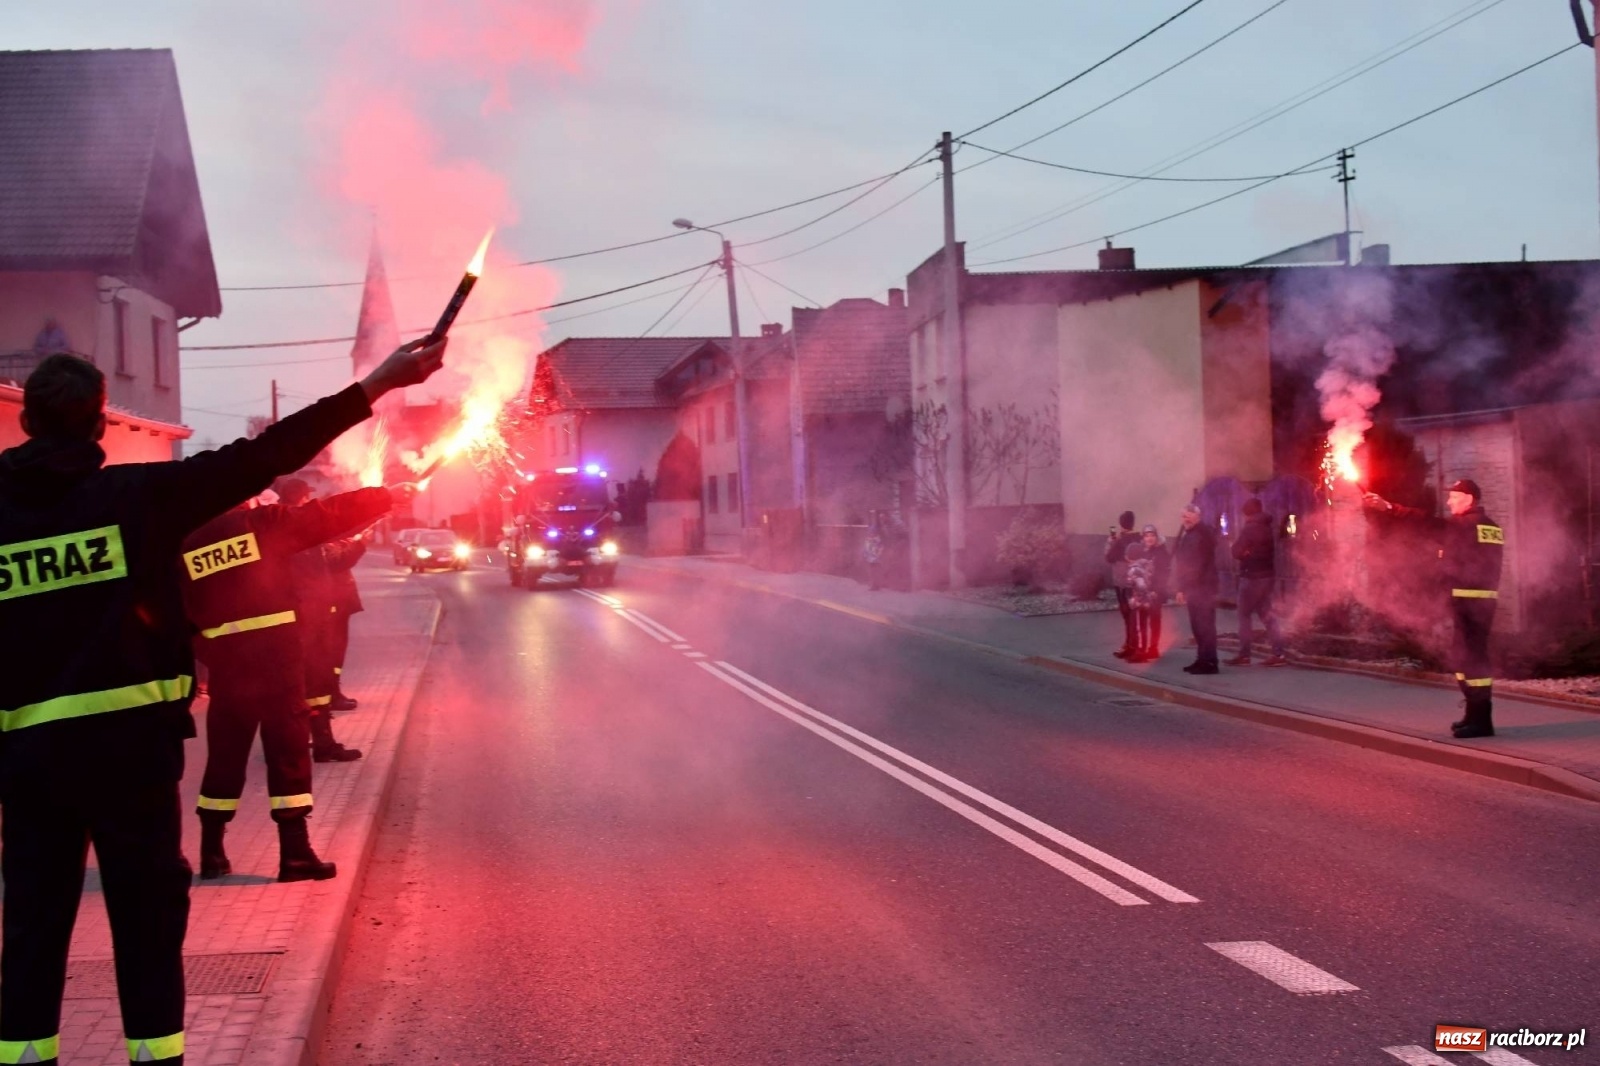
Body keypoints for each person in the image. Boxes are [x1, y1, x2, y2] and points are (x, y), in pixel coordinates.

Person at [0, 338, 443, 1066]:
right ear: (101, 423)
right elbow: (264, 454)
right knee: (146, 921)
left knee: (32, 924)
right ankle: (157, 1057)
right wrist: (376, 386)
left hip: (29, 766)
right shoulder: (138, 501)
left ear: (27, 423)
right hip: (132, 759)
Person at [183, 484, 404, 883]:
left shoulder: (187, 543)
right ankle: (295, 853)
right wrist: (382, 497)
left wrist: (213, 657)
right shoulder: (260, 525)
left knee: (224, 756)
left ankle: (211, 853)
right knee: (288, 755)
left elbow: (181, 617)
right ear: (247, 498)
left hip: (229, 670)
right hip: (277, 663)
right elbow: (323, 516)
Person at [1364, 479, 1504, 738]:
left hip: (1469, 601)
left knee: (1472, 660)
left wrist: (1388, 507)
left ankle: (1481, 721)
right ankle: (1474, 715)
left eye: (1454, 496)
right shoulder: (1490, 527)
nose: (1449, 501)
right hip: (1480, 601)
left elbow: (1426, 522)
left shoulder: (1465, 526)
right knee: (1466, 657)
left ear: (1469, 499)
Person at [1229, 498, 1288, 667]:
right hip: (1267, 577)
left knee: (1244, 615)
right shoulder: (1268, 527)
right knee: (1267, 615)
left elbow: (1236, 551)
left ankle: (1244, 655)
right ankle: (1279, 654)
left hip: (1251, 577)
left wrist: (1244, 552)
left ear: (1247, 513)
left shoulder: (1249, 528)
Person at [1172, 503, 1221, 674]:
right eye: (1183, 516)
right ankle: (1202, 659)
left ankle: (1209, 662)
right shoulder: (1191, 534)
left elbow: (1195, 565)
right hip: (1195, 587)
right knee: (1197, 626)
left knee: (1204, 626)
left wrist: (1183, 588)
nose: (1185, 519)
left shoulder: (1201, 534)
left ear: (1197, 517)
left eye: (1189, 516)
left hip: (1202, 587)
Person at [1126, 524, 1170, 662]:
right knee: (1142, 620)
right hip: (1143, 591)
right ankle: (1142, 648)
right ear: (1143, 538)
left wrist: (1157, 590)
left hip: (1155, 591)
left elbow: (1164, 573)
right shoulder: (1144, 551)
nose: (1149, 538)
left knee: (1155, 620)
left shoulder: (1161, 552)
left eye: (1152, 535)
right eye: (1147, 536)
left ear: (1156, 537)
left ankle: (1153, 648)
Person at [1105, 511, 1140, 658]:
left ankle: (1130, 645)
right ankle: (1133, 643)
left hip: (1122, 582)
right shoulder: (1139, 538)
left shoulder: (1119, 541)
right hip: (1136, 581)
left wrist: (1111, 541)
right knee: (1134, 614)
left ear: (1121, 524)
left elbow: (1109, 557)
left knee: (1127, 614)